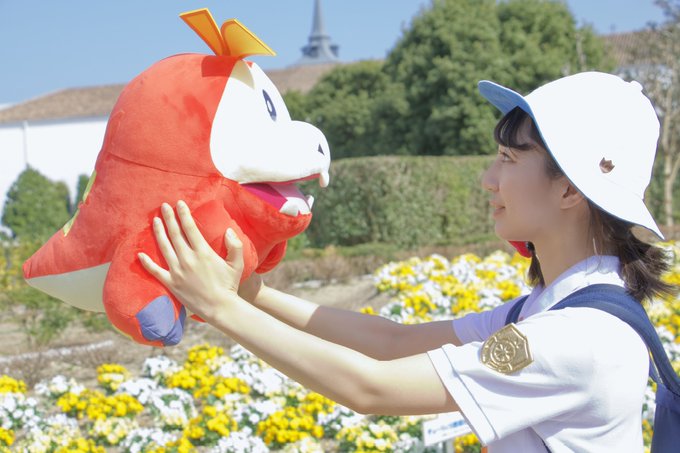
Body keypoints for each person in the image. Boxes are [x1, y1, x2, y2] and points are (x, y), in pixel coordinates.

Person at [138, 71, 678, 452]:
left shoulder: (577, 338)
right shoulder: (546, 311)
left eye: (508, 158)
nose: (488, 179)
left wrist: (221, 307)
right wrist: (248, 294)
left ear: (571, 189)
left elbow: (372, 387)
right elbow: (393, 342)